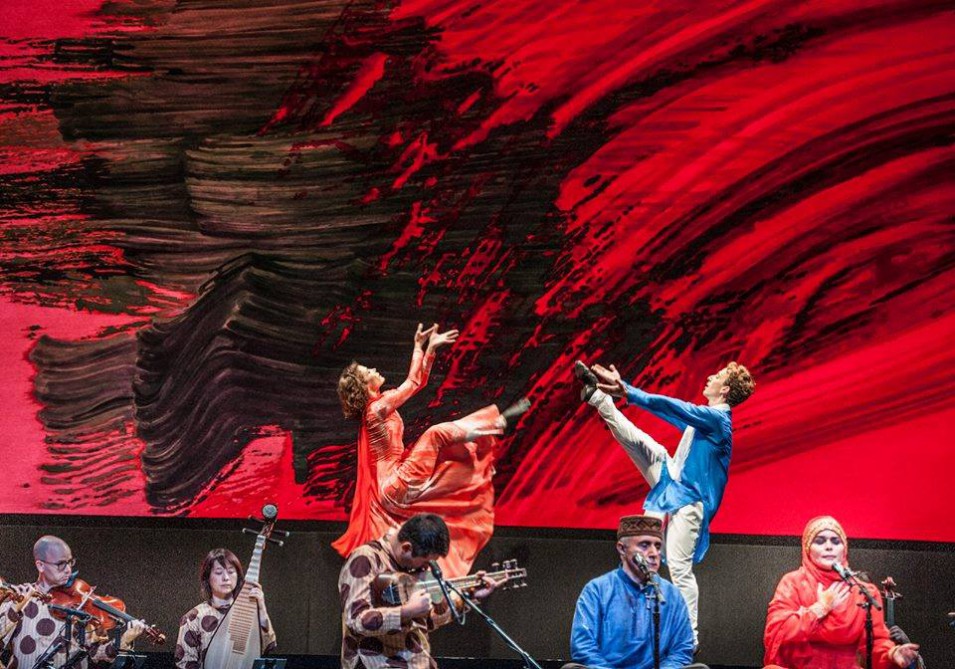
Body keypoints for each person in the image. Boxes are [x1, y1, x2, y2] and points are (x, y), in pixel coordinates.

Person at [575, 359, 755, 645]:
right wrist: (627, 394)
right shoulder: (707, 419)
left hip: (691, 501)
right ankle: (598, 396)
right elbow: (668, 411)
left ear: (725, 389)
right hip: (675, 483)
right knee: (641, 443)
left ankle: (689, 637)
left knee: (679, 568)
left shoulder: (717, 420)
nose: (711, 376)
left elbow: (674, 407)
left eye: (718, 375)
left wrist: (628, 391)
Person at [334, 323, 530, 576]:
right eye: (367, 371)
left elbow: (418, 382)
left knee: (442, 450)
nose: (374, 369)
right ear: (364, 385)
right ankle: (495, 425)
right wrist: (426, 349)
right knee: (434, 434)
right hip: (394, 485)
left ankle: (486, 437)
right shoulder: (376, 410)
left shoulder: (381, 404)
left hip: (396, 482)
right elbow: (413, 383)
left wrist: (421, 347)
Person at [338, 512, 500, 669]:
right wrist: (406, 611)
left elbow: (428, 621)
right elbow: (356, 621)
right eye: (424, 562)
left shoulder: (412, 569)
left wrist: (469, 596)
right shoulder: (366, 559)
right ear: (406, 548)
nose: (425, 568)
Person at [763, 516, 920, 669]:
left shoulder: (863, 591)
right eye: (820, 541)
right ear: (807, 548)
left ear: (844, 549)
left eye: (835, 541)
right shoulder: (793, 583)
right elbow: (777, 633)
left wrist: (892, 654)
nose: (829, 546)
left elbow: (875, 644)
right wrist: (819, 609)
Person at [564, 515, 695, 669]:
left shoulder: (672, 595)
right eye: (644, 545)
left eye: (658, 546)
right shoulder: (597, 590)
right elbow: (583, 646)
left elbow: (682, 649)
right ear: (622, 548)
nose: (654, 553)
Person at [0, 535, 145, 668]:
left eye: (70, 562)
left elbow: (98, 655)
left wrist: (124, 640)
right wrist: (16, 606)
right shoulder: (19, 595)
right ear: (40, 565)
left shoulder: (79, 604)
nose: (68, 570)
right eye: (61, 564)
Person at [174, 548, 276, 669]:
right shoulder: (193, 617)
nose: (226, 577)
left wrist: (262, 610)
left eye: (231, 571)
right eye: (218, 572)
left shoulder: (247, 614)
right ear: (207, 577)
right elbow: (184, 664)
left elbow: (269, 647)